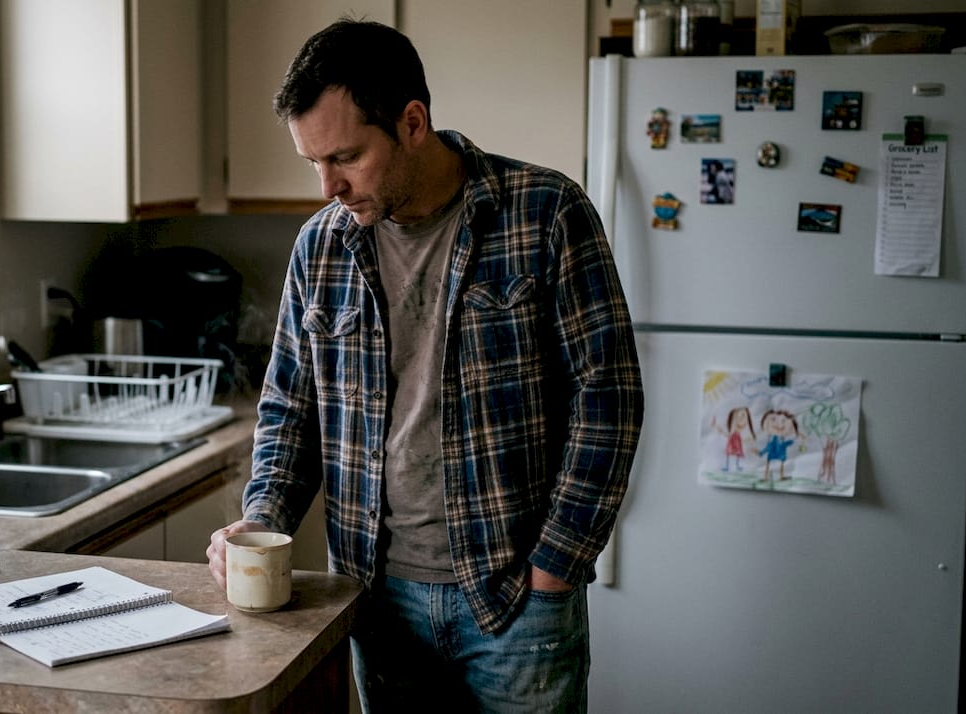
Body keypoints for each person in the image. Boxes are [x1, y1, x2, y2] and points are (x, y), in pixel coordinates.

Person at [206, 19, 643, 713]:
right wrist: (260, 522)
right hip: (375, 599)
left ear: (413, 123)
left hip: (515, 599)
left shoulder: (546, 213)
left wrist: (556, 566)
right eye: (312, 162)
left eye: (345, 157)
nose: (327, 186)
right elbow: (290, 412)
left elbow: (609, 399)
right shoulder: (320, 247)